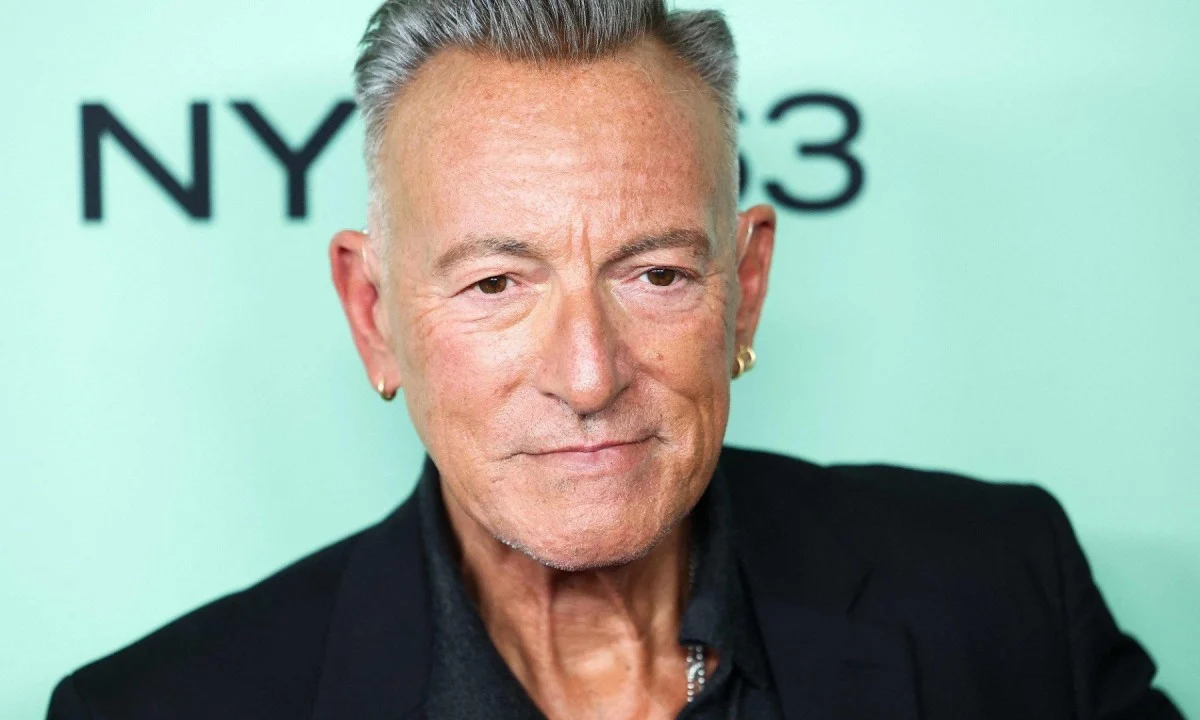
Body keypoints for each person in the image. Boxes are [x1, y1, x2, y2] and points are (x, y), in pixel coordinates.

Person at [48, 1, 1184, 718]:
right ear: (374, 315)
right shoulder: (161, 707)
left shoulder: (1002, 590)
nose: (589, 378)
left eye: (657, 275)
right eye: (497, 285)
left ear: (746, 289)